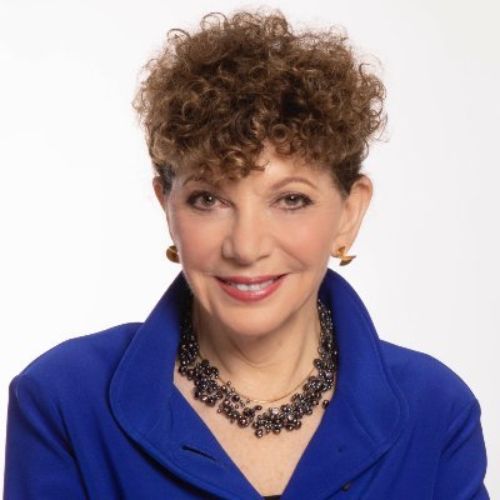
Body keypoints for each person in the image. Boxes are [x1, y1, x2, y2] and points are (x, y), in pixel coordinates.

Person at [3, 8, 489, 499]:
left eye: (291, 199)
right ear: (166, 206)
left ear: (349, 212)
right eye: (208, 199)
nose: (246, 246)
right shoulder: (64, 401)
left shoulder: (436, 411)